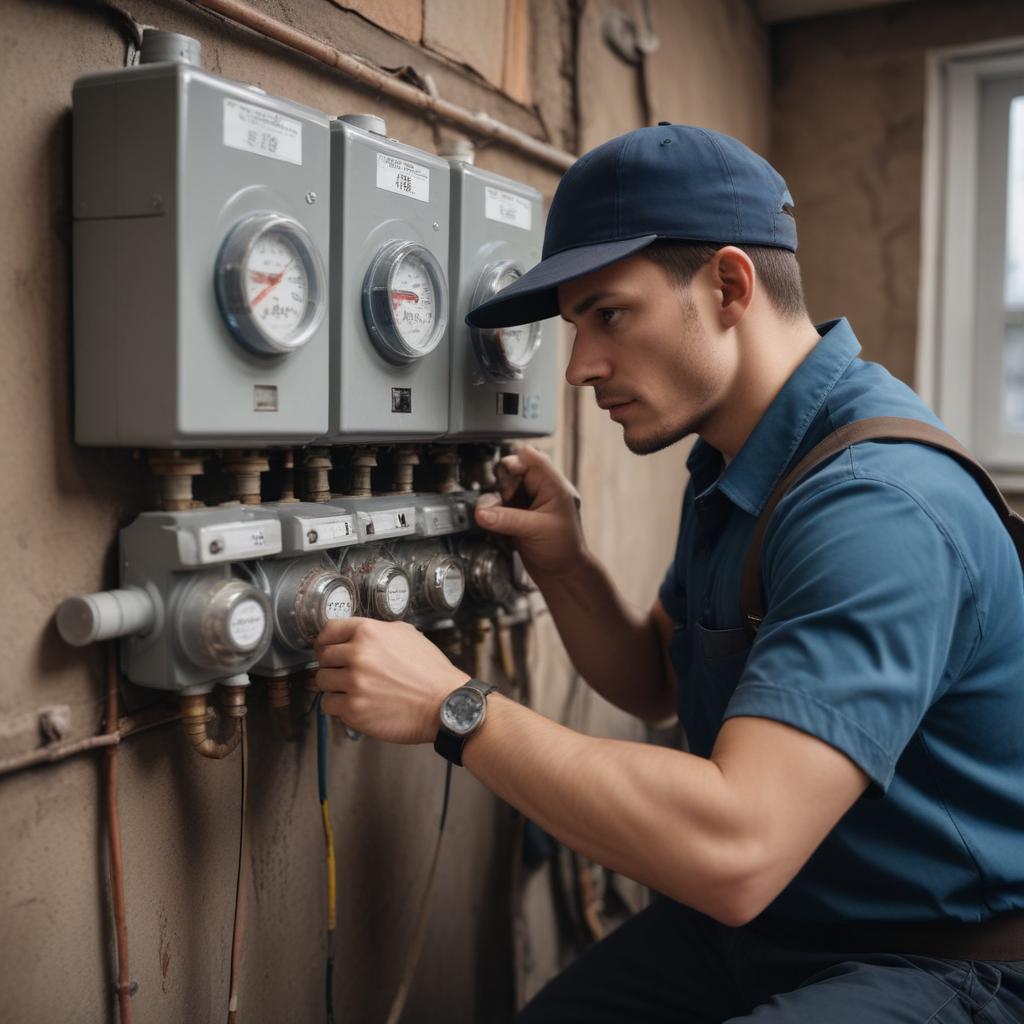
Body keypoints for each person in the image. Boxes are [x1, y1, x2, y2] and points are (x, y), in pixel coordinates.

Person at [314, 124, 1024, 1021]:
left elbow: (737, 847)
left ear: (730, 285)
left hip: (934, 957)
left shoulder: (876, 506)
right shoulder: (741, 456)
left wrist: (457, 709)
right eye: (575, 327)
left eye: (609, 314)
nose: (579, 368)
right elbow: (657, 680)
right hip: (770, 926)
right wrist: (565, 566)